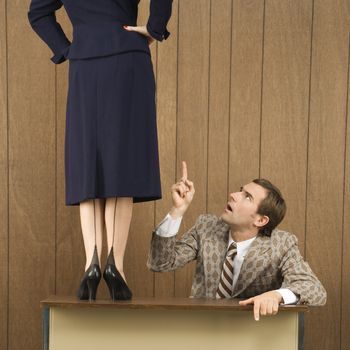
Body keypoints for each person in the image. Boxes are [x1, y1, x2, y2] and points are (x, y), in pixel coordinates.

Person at [27, 0, 173, 301]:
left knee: (87, 160)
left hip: (85, 61)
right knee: (123, 159)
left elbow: (38, 12)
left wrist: (68, 48)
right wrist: (154, 27)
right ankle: (115, 264)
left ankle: (90, 261)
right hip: (128, 54)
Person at [147, 162, 327, 320]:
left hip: (251, 333)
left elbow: (314, 289)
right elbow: (160, 263)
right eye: (241, 190)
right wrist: (177, 210)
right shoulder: (206, 227)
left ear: (260, 220)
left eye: (247, 196)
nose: (233, 194)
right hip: (202, 327)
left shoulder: (282, 244)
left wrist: (276, 296)